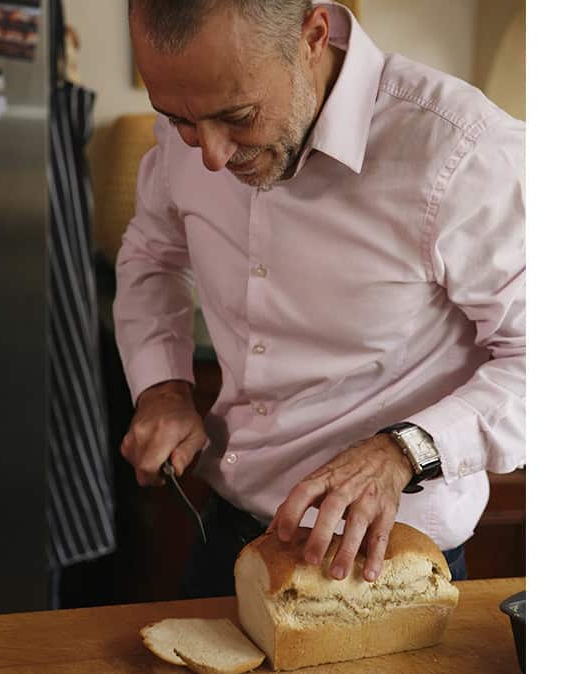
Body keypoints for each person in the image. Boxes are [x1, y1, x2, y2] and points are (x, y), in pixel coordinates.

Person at [115, 0, 524, 600]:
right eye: (177, 119)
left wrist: (404, 451)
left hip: (388, 564)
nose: (211, 154)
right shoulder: (201, 111)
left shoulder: (465, 152)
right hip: (225, 536)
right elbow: (152, 254)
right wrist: (164, 388)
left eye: (239, 116)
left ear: (313, 36)